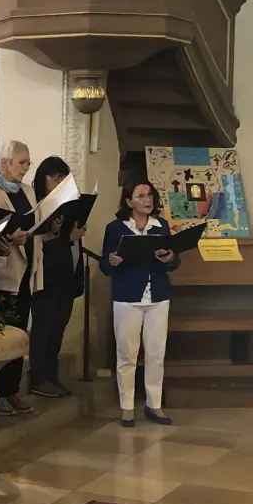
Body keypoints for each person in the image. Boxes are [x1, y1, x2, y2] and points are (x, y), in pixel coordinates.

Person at [100, 179, 180, 427]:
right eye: (141, 196)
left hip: (158, 296)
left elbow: (175, 262)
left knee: (156, 353)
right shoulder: (115, 228)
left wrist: (169, 258)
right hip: (127, 298)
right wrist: (112, 261)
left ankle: (154, 405)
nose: (147, 200)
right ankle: (127, 407)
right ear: (129, 201)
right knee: (127, 354)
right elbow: (105, 266)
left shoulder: (161, 226)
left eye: (150, 195)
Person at [0, 140, 35, 416]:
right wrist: (10, 238)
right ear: (4, 163)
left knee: (18, 334)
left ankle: (11, 389)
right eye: (22, 163)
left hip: (26, 270)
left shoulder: (28, 191)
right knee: (1, 335)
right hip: (3, 271)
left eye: (28, 163)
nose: (26, 168)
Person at [27, 156, 85, 398]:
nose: (59, 181)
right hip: (46, 276)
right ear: (42, 178)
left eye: (63, 177)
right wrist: (66, 238)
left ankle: (52, 376)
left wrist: (74, 235)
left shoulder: (69, 204)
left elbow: (70, 239)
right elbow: (36, 243)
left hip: (67, 275)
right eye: (55, 177)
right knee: (43, 328)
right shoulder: (36, 204)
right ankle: (38, 378)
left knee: (58, 328)